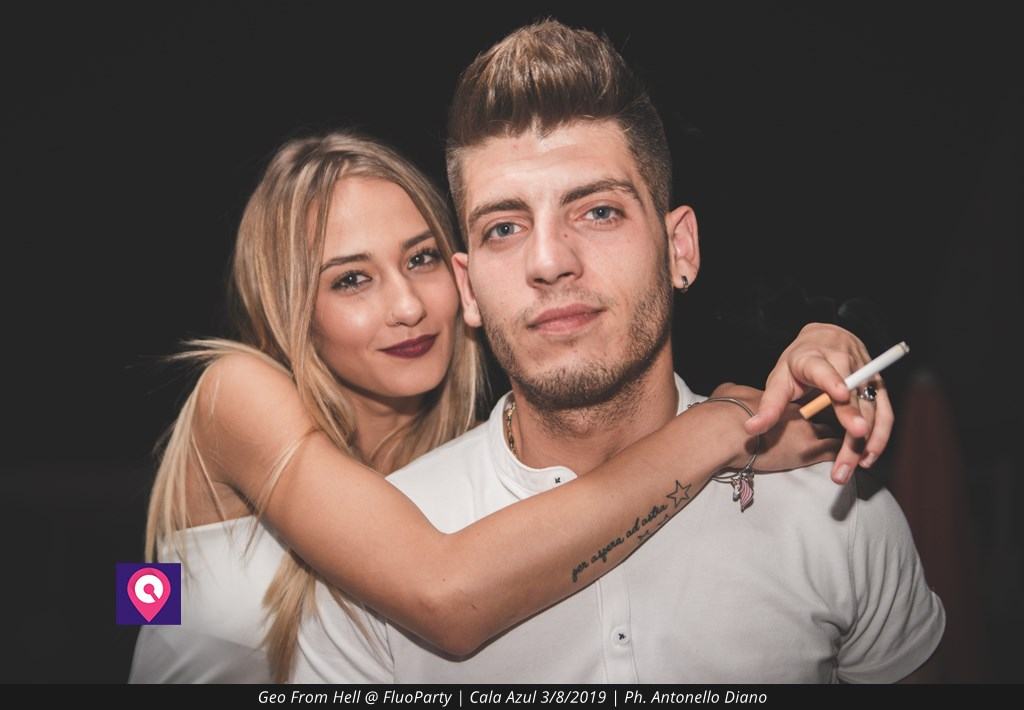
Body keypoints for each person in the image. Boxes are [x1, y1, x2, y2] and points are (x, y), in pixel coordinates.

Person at [293, 21, 944, 684]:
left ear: (679, 249)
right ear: (468, 288)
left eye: (598, 212)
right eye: (505, 227)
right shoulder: (381, 568)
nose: (548, 261)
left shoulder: (833, 506)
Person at [128, 131, 882, 684]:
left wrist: (766, 377)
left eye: (421, 258)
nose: (406, 305)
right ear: (290, 307)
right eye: (351, 280)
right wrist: (719, 428)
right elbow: (445, 599)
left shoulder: (452, 449)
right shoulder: (233, 391)